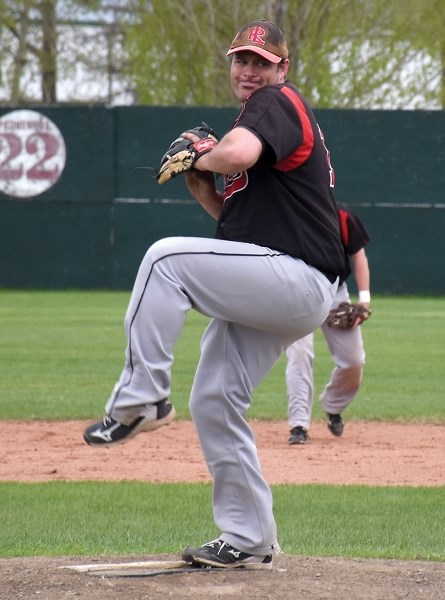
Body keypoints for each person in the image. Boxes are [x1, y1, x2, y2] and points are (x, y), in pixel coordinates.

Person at [83, 20, 344, 569]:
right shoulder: (266, 121)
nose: (249, 71)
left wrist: (203, 153)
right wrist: (202, 182)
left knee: (164, 258)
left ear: (282, 69)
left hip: (297, 277)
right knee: (215, 398)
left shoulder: (274, 103)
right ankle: (249, 537)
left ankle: (143, 399)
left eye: (261, 61)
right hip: (286, 279)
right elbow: (242, 232)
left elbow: (238, 154)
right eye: (240, 60)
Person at [286, 203, 371, 444]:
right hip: (297, 292)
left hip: (336, 292)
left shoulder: (341, 215)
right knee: (300, 354)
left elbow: (359, 255)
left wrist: (364, 299)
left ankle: (334, 404)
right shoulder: (288, 212)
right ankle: (299, 425)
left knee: (354, 360)